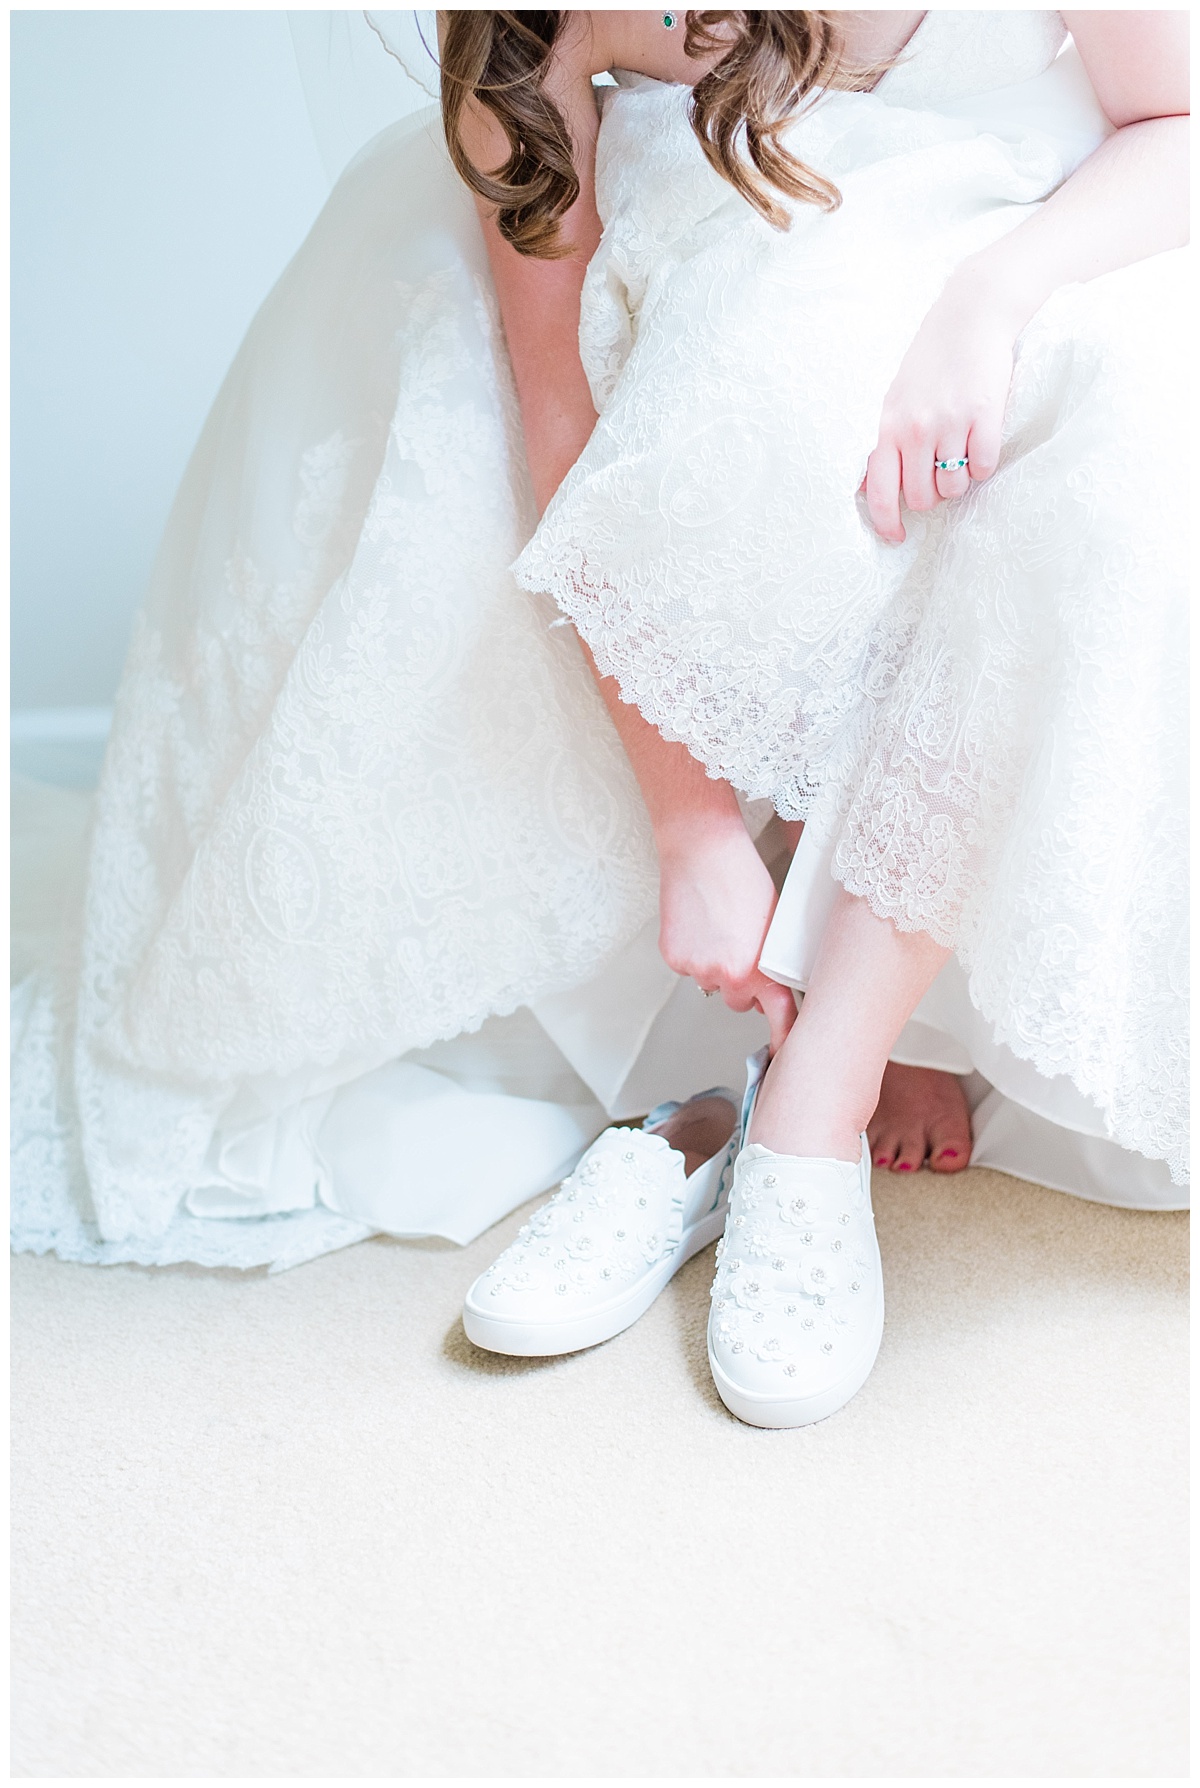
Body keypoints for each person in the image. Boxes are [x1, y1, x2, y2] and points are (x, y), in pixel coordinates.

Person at [442, 9, 1188, 1425]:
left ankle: (808, 1103)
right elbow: (558, 401)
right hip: (765, 288)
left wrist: (991, 298)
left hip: (1051, 243)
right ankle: (730, 1105)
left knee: (1121, 441)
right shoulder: (523, 37)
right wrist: (691, 830)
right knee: (777, 380)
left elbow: (1181, 122)